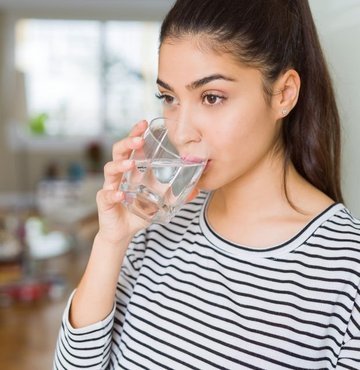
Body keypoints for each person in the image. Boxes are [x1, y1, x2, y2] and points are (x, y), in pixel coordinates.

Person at [54, 1, 360, 369]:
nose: (181, 133)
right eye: (169, 98)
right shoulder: (155, 227)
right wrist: (111, 242)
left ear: (284, 94)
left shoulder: (347, 271)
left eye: (212, 97)